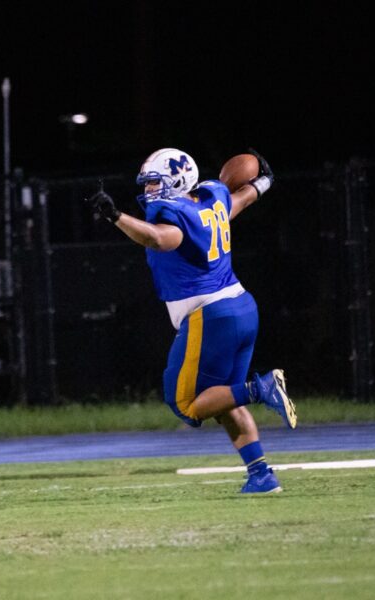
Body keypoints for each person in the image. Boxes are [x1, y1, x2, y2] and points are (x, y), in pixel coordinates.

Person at [88, 147, 296, 494]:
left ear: (178, 181)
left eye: (155, 183)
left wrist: (115, 216)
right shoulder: (212, 195)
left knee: (186, 403)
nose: (150, 190)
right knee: (221, 398)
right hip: (241, 307)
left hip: (210, 314)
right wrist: (263, 183)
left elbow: (159, 239)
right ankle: (261, 475)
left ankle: (262, 388)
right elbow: (240, 200)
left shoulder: (174, 213)